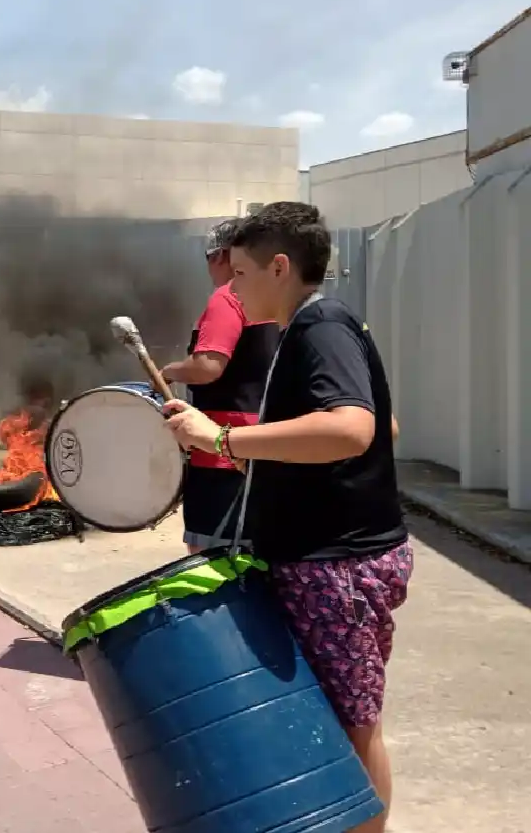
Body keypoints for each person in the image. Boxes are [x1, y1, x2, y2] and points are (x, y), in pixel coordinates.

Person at [163, 202, 411, 833]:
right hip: (324, 558)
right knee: (335, 718)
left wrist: (221, 440)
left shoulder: (320, 325)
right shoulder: (307, 330)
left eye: (239, 273)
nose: (231, 288)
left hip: (339, 568)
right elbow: (385, 427)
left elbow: (352, 428)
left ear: (279, 266)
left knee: (350, 725)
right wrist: (270, 461)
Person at [161, 219, 280, 553]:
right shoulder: (274, 300)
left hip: (221, 448)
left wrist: (169, 370)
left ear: (221, 257)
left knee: (209, 555)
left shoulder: (227, 298)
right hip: (267, 444)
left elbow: (208, 367)